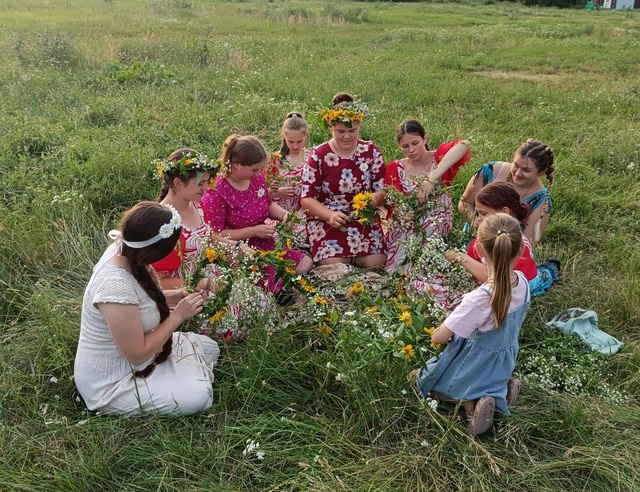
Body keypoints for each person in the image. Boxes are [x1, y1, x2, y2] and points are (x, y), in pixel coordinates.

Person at [74, 202, 220, 415]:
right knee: (199, 396)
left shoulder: (126, 251)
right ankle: (172, 378)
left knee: (210, 347)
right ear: (153, 252)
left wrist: (178, 295)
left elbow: (140, 303)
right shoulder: (115, 286)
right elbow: (137, 354)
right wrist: (178, 315)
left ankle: (173, 374)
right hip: (114, 380)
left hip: (141, 357)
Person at [414, 213, 531, 436]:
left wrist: (441, 327)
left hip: (471, 366)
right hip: (502, 360)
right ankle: (499, 390)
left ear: (478, 251)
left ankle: (472, 406)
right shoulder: (523, 282)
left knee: (423, 378)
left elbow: (438, 338)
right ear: (521, 250)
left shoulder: (480, 298)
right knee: (489, 377)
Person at [201, 134, 313, 291]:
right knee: (272, 282)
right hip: (237, 248)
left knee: (305, 263)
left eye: (259, 168)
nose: (259, 172)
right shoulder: (216, 191)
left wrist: (284, 215)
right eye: (254, 169)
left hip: (263, 239)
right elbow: (217, 235)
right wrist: (253, 231)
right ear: (236, 164)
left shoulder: (256, 178)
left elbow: (268, 204)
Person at [300, 92, 386, 268]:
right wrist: (330, 215)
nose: (347, 136)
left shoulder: (370, 152)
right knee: (332, 265)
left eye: (352, 131)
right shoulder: (319, 155)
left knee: (375, 262)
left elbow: (383, 190)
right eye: (341, 131)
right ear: (331, 127)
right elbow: (307, 199)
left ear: (359, 127)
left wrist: (372, 200)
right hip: (329, 217)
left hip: (362, 216)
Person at [384, 119, 471, 274]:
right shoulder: (396, 168)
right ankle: (410, 273)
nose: (411, 150)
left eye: (415, 143)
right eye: (405, 146)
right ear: (399, 146)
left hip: (437, 219)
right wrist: (402, 211)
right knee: (402, 244)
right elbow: (393, 203)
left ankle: (423, 270)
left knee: (429, 225)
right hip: (411, 222)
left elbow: (464, 144)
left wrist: (432, 178)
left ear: (425, 139)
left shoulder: (438, 159)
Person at [447, 182, 560, 295]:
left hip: (516, 284)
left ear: (504, 212)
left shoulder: (511, 242)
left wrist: (461, 258)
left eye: (483, 214)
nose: (479, 219)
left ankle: (550, 270)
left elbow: (498, 281)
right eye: (478, 213)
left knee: (539, 280)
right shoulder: (487, 233)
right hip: (489, 278)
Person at [458, 139, 554, 247]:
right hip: (472, 239)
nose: (518, 173)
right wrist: (476, 222)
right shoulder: (491, 170)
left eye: (526, 170)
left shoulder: (542, 201)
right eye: (516, 165)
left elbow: (528, 244)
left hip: (505, 250)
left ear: (541, 172)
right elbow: (465, 202)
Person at [151, 148, 221, 295]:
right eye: (200, 183)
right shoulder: (165, 225)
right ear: (178, 183)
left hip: (211, 282)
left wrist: (237, 248)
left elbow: (208, 239)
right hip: (184, 296)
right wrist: (203, 284)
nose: (206, 188)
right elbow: (158, 281)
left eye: (207, 182)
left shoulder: (197, 204)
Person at [265, 112, 310, 221]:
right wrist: (275, 192)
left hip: (305, 211)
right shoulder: (276, 159)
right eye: (290, 141)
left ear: (306, 136)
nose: (295, 146)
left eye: (300, 141)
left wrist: (307, 187)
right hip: (278, 212)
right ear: (284, 137)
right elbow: (260, 190)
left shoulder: (312, 157)